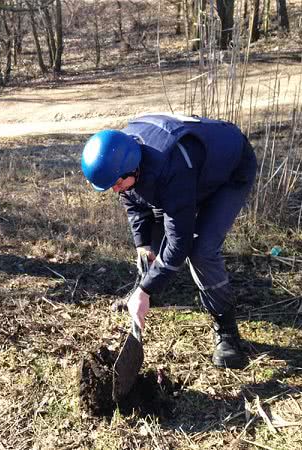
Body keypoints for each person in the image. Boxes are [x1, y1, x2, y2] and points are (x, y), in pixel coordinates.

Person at [81, 113, 257, 369]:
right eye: (112, 187)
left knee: (200, 250)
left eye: (118, 184)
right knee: (151, 243)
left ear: (132, 167)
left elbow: (179, 243)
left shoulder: (169, 166)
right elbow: (135, 206)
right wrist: (143, 246)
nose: (116, 190)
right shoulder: (122, 163)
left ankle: (227, 330)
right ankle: (149, 291)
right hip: (190, 172)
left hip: (229, 170)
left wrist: (144, 290)